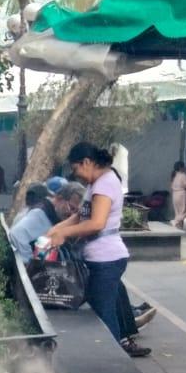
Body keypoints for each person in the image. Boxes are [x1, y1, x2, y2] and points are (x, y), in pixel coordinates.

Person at [45, 142, 149, 357]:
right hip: (98, 256)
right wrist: (57, 228)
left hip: (107, 258)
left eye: (76, 169)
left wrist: (64, 234)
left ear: (87, 162)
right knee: (103, 307)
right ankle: (116, 349)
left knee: (103, 312)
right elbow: (81, 215)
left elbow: (96, 223)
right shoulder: (97, 183)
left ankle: (113, 358)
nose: (76, 176)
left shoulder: (104, 184)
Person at [8, 181, 84, 263]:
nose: (72, 216)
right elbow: (17, 233)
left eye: (76, 212)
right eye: (72, 208)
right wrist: (29, 262)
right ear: (59, 198)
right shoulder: (40, 214)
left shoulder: (54, 215)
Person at [170, 161, 186, 229]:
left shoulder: (173, 175)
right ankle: (175, 221)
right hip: (182, 194)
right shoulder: (183, 175)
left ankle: (179, 227)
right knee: (184, 211)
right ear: (181, 167)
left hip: (174, 194)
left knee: (177, 212)